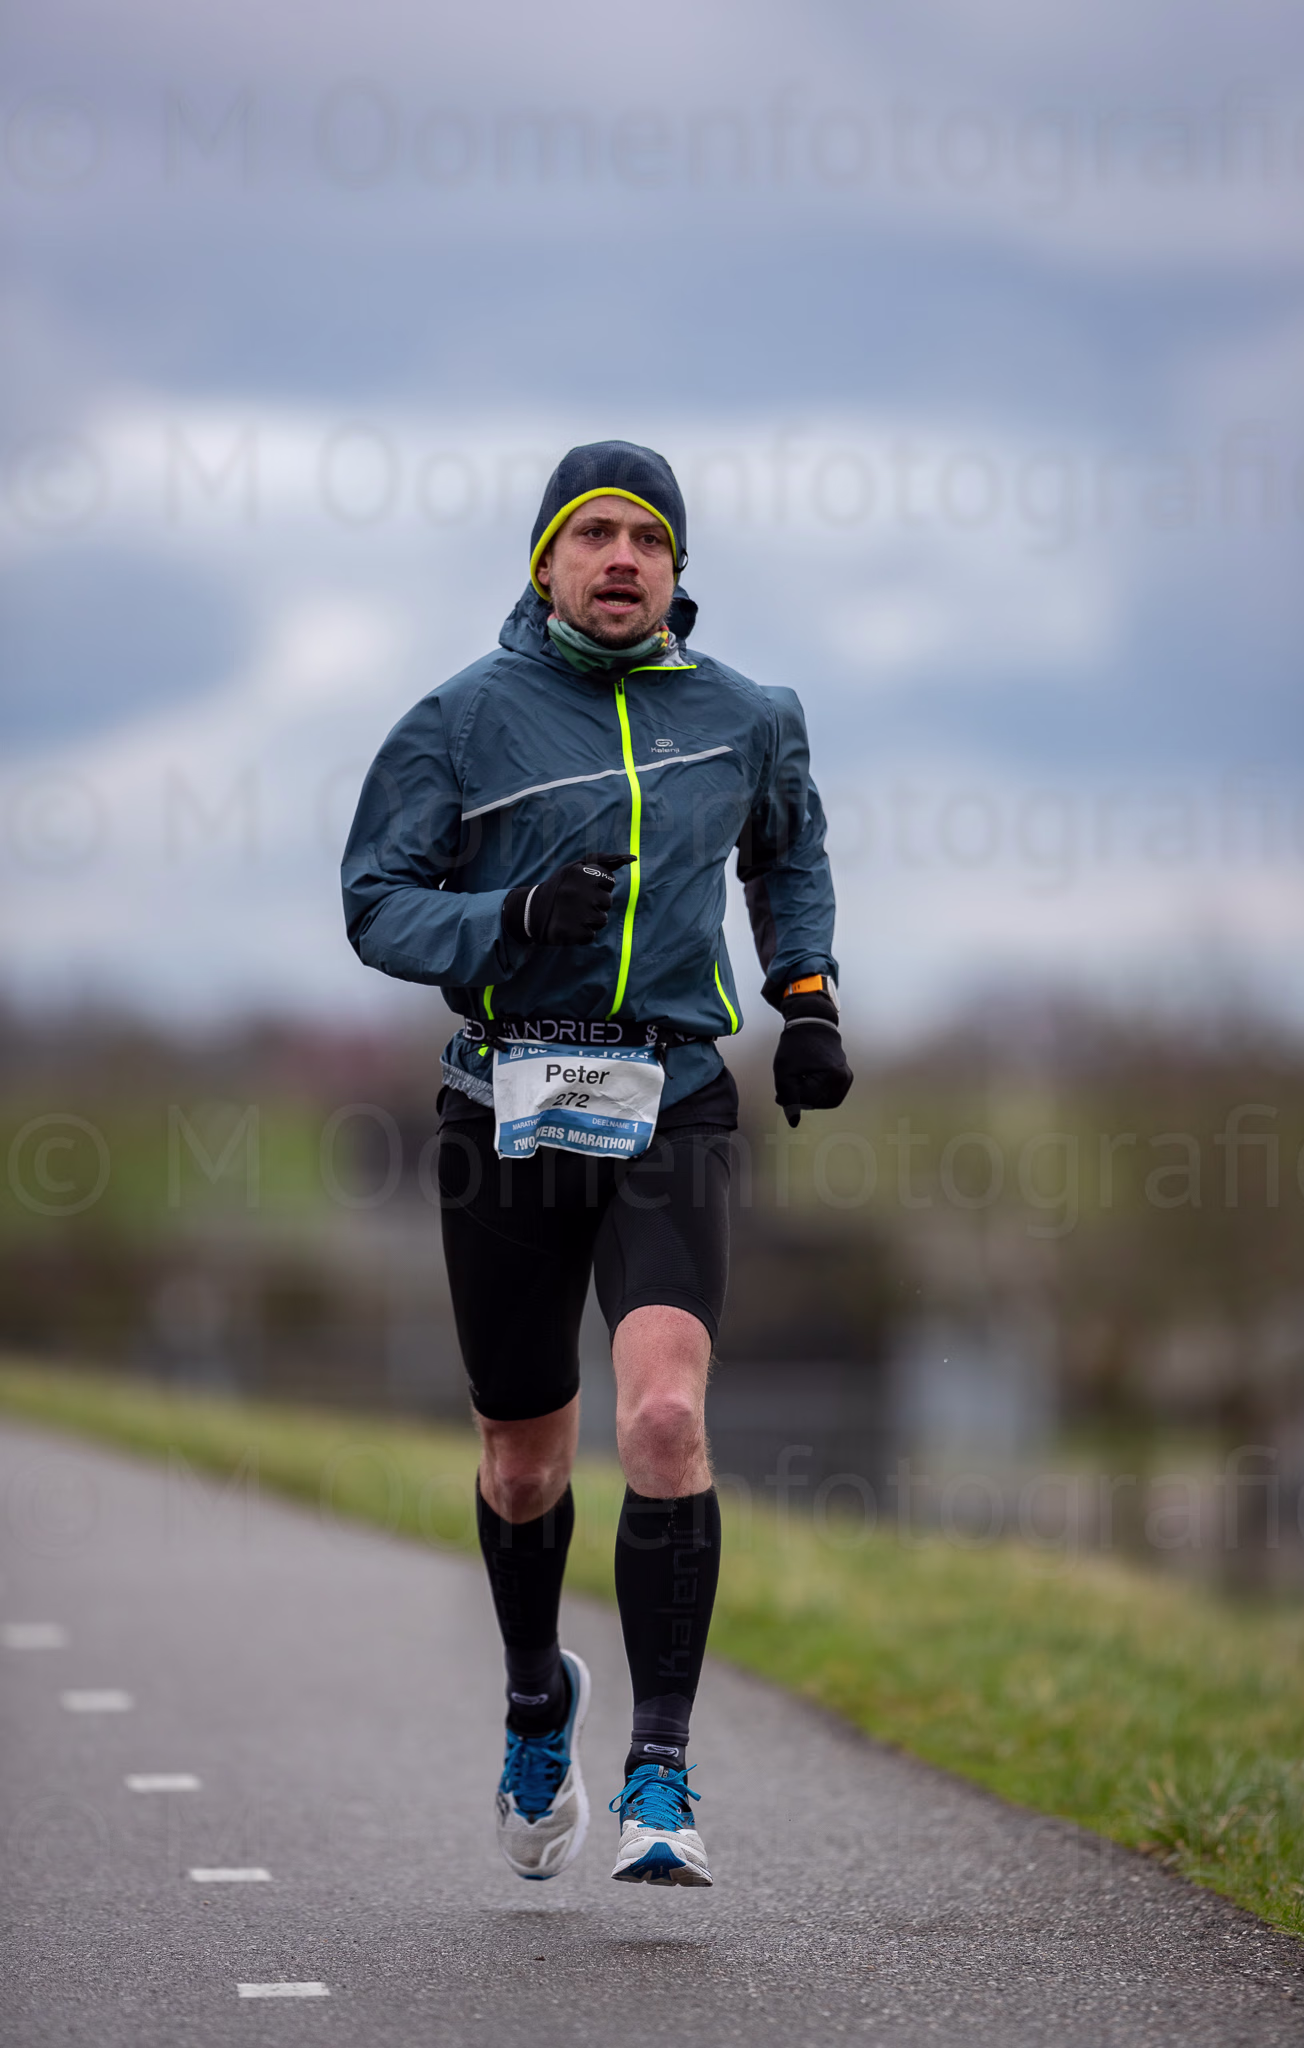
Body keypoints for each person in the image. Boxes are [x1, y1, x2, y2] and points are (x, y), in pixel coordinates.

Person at [341, 440, 851, 1888]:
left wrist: (808, 999)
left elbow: (787, 856)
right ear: (545, 561)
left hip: (670, 1100)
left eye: (649, 539)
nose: (623, 558)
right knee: (523, 1463)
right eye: (594, 535)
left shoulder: (749, 716)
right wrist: (508, 917)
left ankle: (663, 1774)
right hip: (504, 1106)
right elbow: (374, 901)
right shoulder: (459, 719)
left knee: (669, 1417)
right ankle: (533, 1700)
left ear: (679, 569)